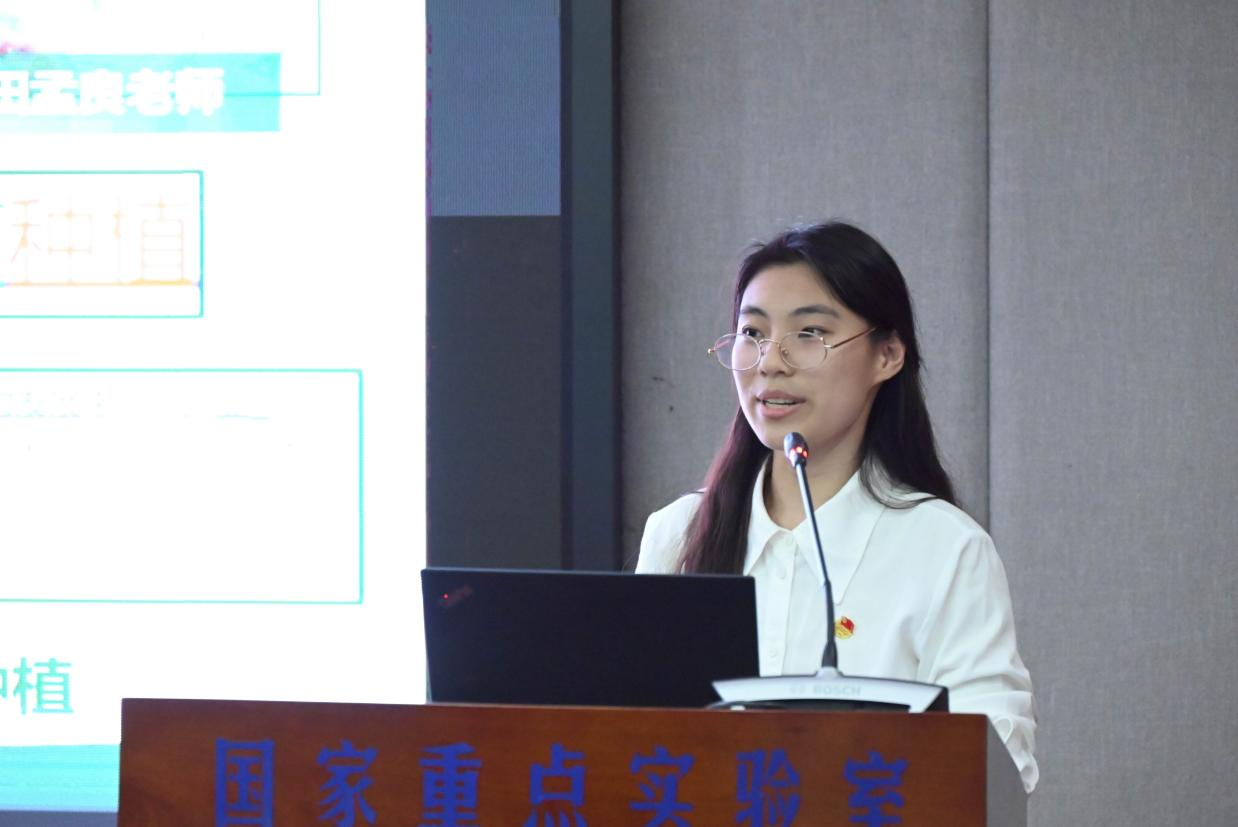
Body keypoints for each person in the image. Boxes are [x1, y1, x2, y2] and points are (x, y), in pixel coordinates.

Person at [636, 221, 1038, 792]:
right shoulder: (678, 533)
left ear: (887, 355)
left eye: (809, 333)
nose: (770, 362)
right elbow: (632, 749)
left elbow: (996, 768)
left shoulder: (944, 550)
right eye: (752, 333)